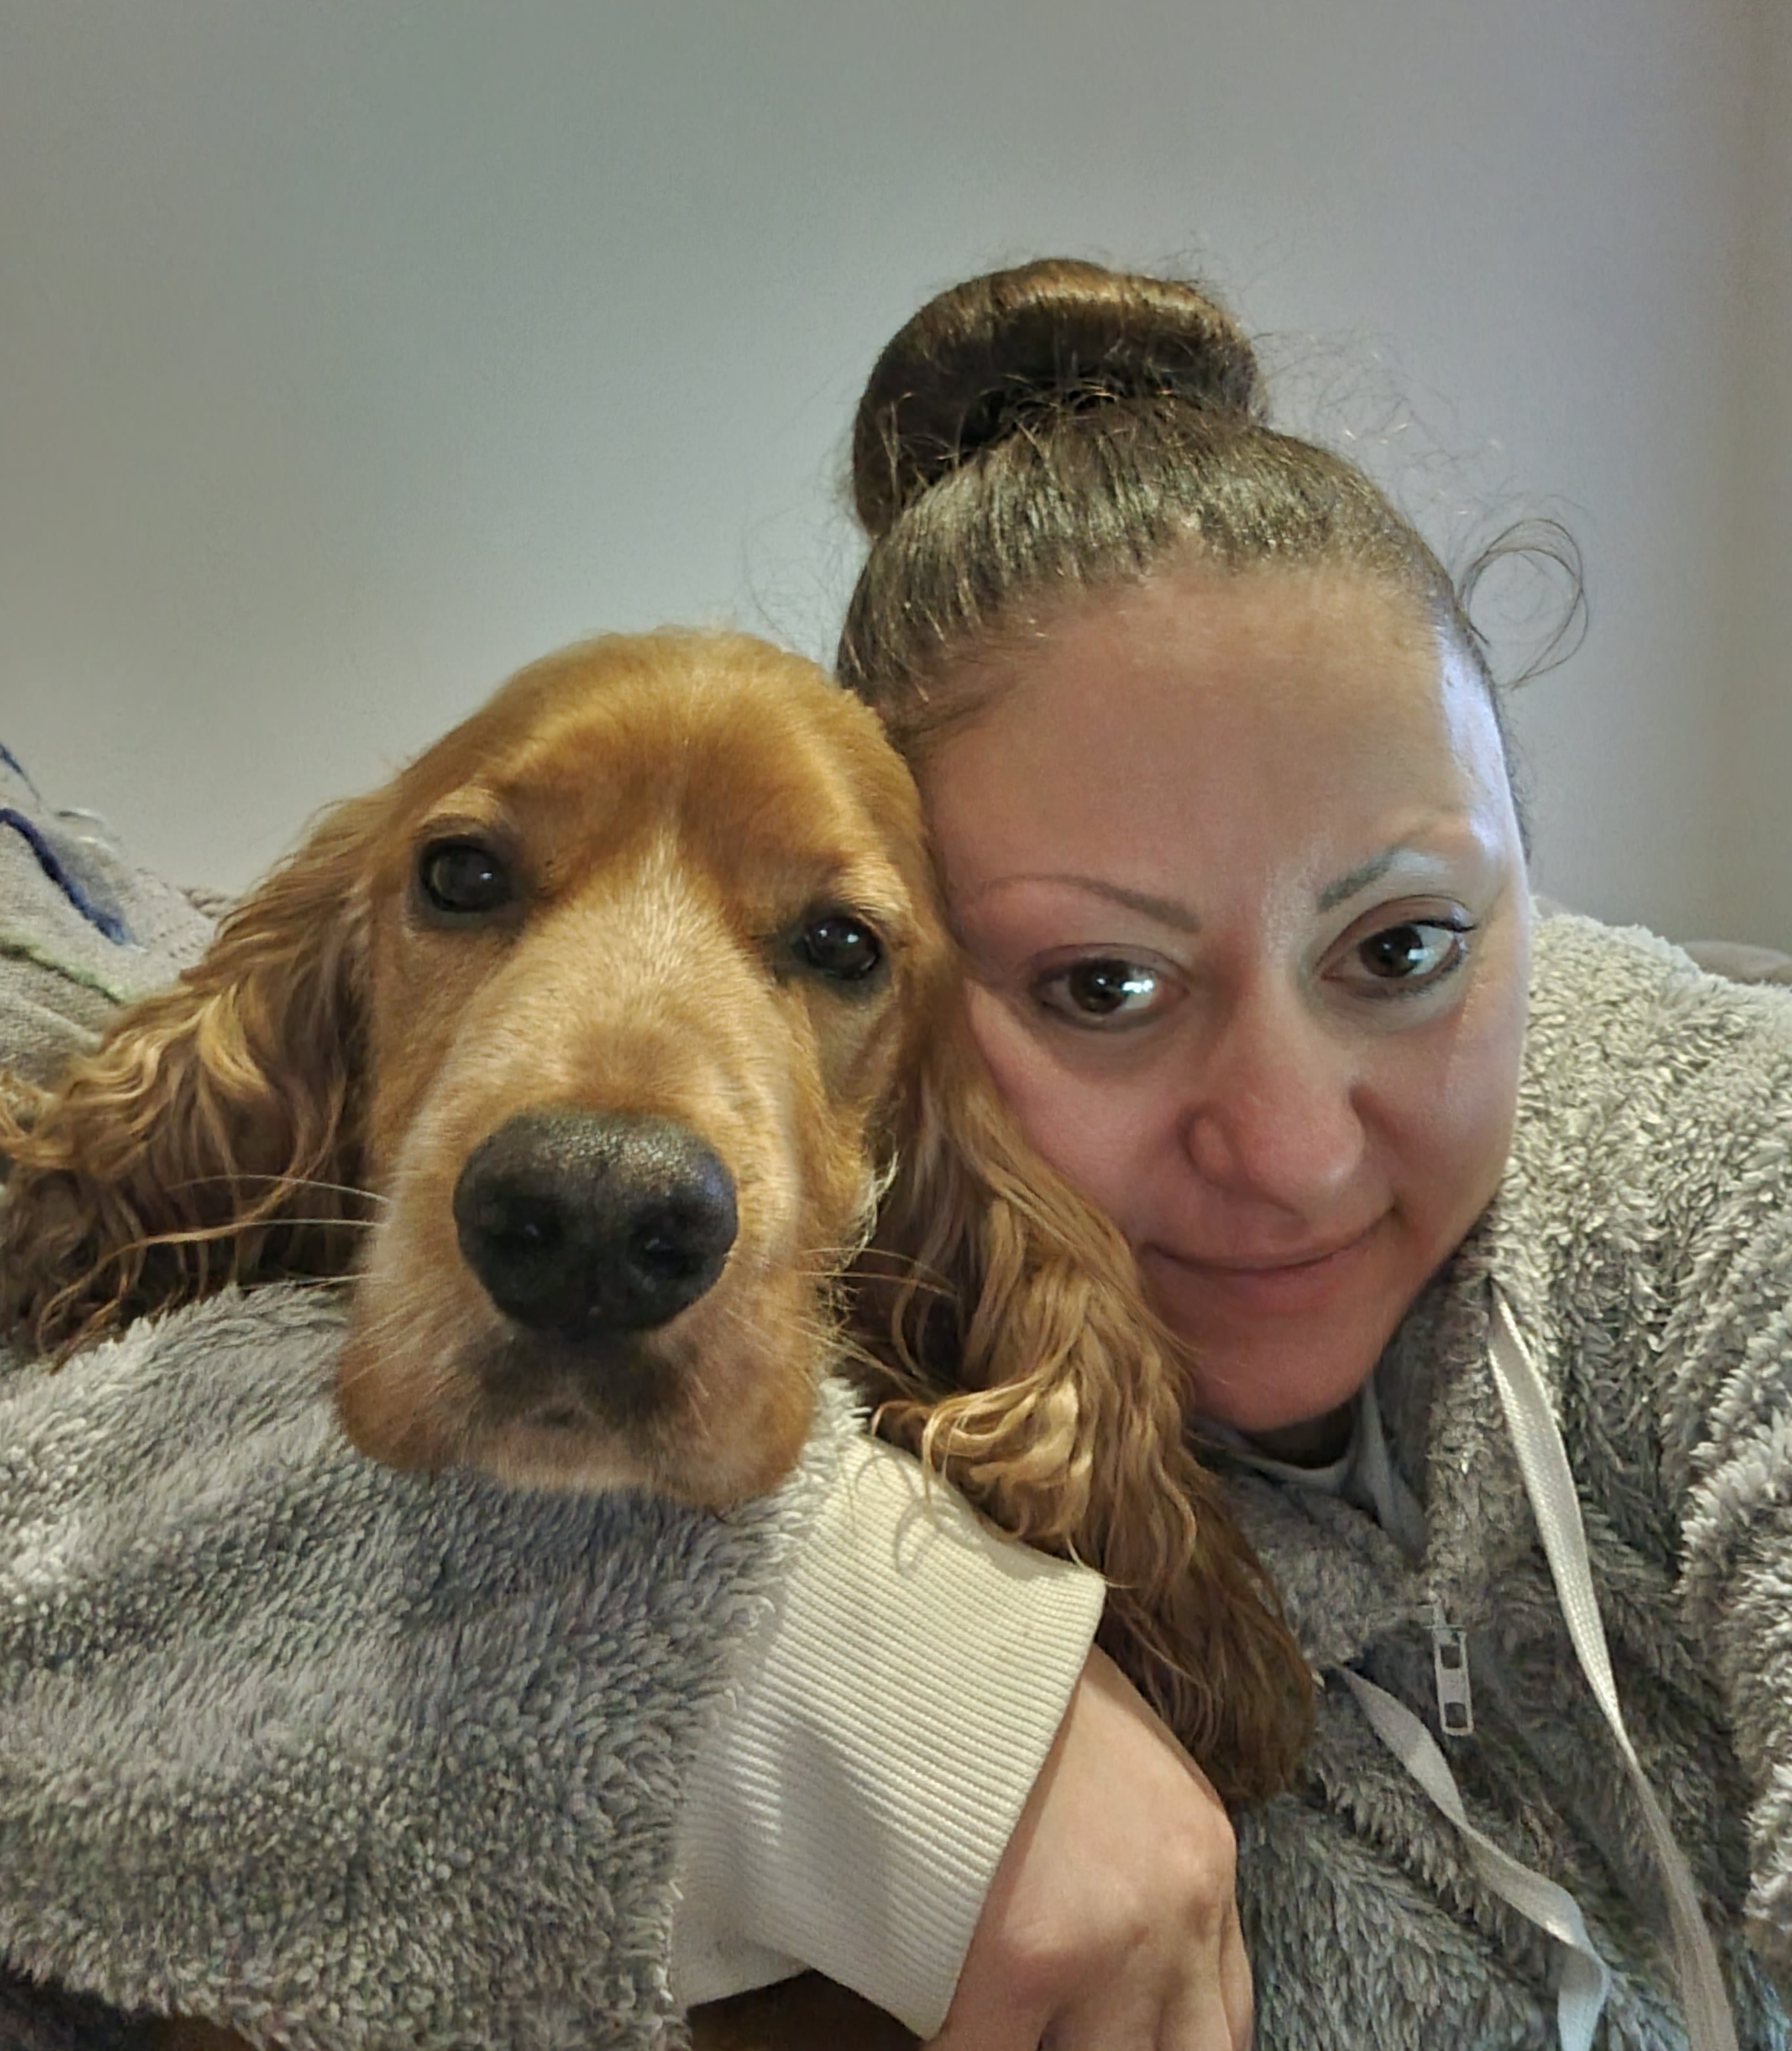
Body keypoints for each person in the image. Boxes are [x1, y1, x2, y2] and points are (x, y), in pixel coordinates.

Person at [677, 258, 1792, 2051]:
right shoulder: (790, 1199)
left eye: (1401, 949)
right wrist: (888, 1689)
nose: (1287, 1150)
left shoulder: (1717, 1168)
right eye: (1103, 985)